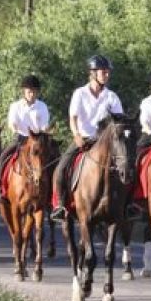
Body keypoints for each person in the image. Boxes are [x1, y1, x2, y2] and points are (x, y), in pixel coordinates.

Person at [51, 54, 124, 221]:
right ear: (93, 73)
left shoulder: (111, 96)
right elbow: (73, 118)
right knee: (61, 169)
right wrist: (76, 135)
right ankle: (61, 205)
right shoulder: (80, 94)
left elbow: (120, 119)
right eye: (103, 72)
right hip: (83, 140)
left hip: (105, 143)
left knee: (125, 165)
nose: (107, 75)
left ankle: (125, 204)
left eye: (107, 72)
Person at [0, 75, 50, 202]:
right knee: (3, 157)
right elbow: (12, 122)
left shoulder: (42, 106)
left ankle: (53, 194)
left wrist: (45, 129)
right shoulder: (16, 106)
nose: (32, 94)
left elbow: (45, 123)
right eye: (30, 91)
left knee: (53, 158)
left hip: (37, 140)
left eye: (35, 91)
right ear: (24, 91)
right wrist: (14, 128)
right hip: (21, 138)